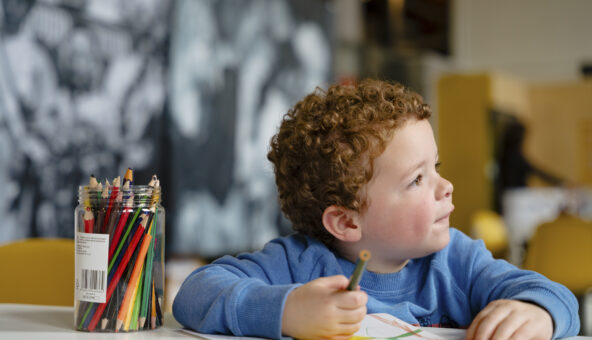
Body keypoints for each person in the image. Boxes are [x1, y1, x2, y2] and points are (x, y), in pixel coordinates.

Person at [173, 79, 579, 340]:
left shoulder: (457, 261)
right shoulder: (299, 266)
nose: (446, 186)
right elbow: (194, 292)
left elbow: (556, 296)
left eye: (435, 168)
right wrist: (287, 311)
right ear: (347, 221)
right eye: (417, 179)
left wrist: (536, 312)